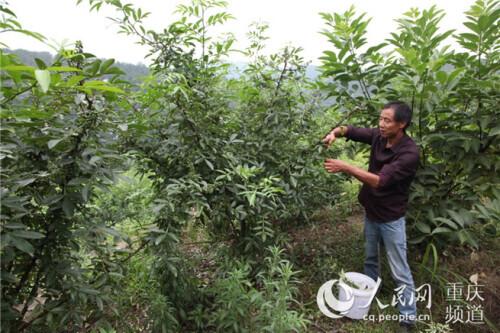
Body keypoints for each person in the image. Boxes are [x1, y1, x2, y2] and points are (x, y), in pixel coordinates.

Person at [322, 101, 419, 332]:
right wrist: (334, 133)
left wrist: (346, 167)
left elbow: (380, 181)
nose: (381, 124)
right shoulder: (379, 136)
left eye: (387, 120)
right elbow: (351, 131)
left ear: (401, 124)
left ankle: (408, 317)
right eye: (380, 119)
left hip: (391, 218)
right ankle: (366, 297)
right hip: (372, 211)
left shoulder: (409, 153)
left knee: (400, 269)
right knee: (370, 259)